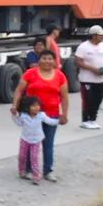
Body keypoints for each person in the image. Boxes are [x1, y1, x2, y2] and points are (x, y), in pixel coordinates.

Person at [10, 50, 69, 182]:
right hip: (31, 115)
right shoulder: (30, 73)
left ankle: (48, 170)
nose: (47, 61)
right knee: (31, 142)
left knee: (48, 144)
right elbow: (19, 90)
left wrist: (64, 114)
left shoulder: (60, 76)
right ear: (39, 60)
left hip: (51, 114)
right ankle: (29, 170)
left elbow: (64, 97)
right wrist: (15, 106)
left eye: (50, 59)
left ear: (54, 61)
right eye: (44, 58)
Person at [12, 95, 58, 184]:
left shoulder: (41, 115)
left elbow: (50, 121)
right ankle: (22, 172)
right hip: (25, 139)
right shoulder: (24, 116)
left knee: (34, 158)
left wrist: (58, 121)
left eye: (38, 105)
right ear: (27, 107)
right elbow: (18, 123)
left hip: (36, 141)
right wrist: (14, 115)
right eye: (33, 106)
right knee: (22, 156)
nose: (36, 108)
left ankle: (36, 176)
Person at [74, 25, 103, 129]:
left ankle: (93, 119)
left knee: (98, 99)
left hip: (101, 79)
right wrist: (93, 69)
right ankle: (85, 120)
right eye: (101, 35)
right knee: (88, 100)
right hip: (87, 79)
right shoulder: (83, 46)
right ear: (94, 35)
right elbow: (78, 61)